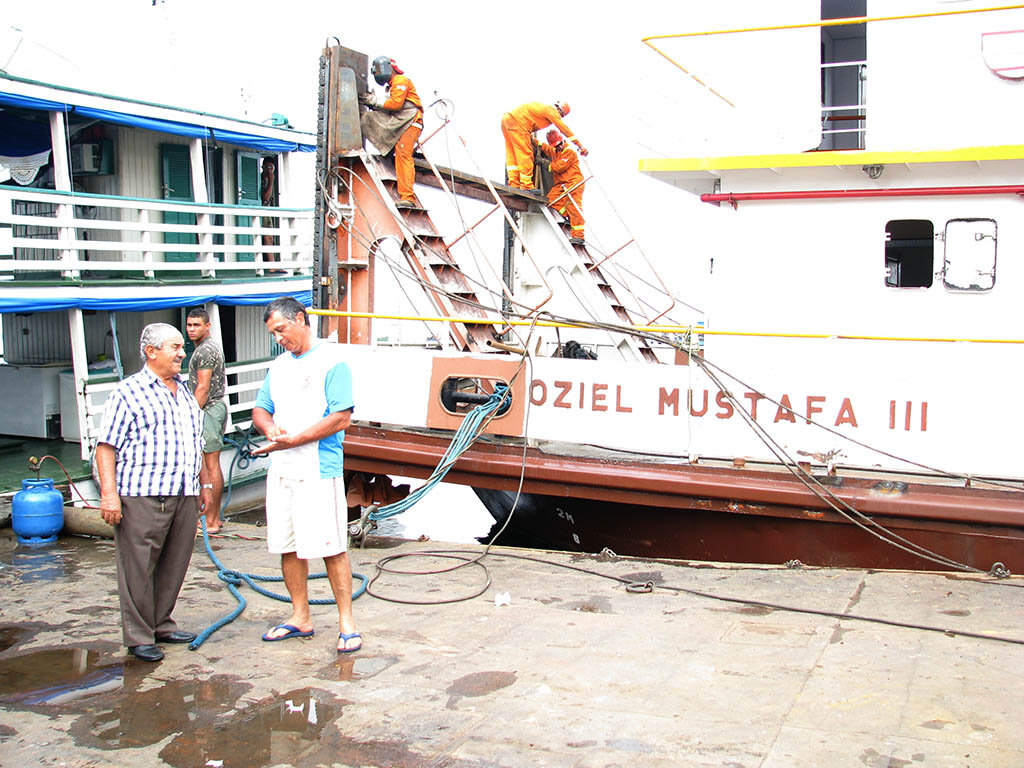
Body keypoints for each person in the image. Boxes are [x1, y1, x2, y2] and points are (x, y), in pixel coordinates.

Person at [95, 322, 212, 662]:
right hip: (142, 494)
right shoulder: (128, 392)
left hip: (184, 493)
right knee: (138, 566)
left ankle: (161, 623)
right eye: (175, 347)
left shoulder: (184, 392)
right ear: (151, 352)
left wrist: (203, 485)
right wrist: (109, 494)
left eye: (181, 347)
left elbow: (195, 443)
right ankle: (139, 635)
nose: (182, 353)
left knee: (175, 563)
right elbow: (106, 448)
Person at [250, 297, 361, 654]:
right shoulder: (279, 366)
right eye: (273, 333)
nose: (279, 338)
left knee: (331, 546)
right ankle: (300, 616)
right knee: (288, 545)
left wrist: (295, 439)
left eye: (281, 329)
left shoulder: (333, 362)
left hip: (318, 467)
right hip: (283, 467)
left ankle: (346, 622)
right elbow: (260, 408)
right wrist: (270, 430)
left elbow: (341, 417)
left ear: (301, 319)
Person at [185, 307, 228, 533]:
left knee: (210, 466)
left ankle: (211, 521)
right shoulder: (207, 347)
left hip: (208, 410)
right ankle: (214, 518)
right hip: (214, 408)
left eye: (196, 325)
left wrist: (188, 415)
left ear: (207, 326)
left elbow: (202, 387)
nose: (192, 329)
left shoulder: (204, 351)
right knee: (210, 465)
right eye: (189, 325)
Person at [370, 56, 423, 208]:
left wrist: (375, 101)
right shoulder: (392, 86)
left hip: (411, 122)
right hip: (402, 123)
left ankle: (408, 197)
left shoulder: (400, 81)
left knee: (403, 154)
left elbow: (395, 104)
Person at [501, 100, 588, 190]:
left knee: (512, 154)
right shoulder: (552, 111)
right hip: (520, 123)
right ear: (560, 111)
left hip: (506, 120)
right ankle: (526, 185)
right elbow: (564, 129)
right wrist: (580, 145)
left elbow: (546, 148)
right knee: (526, 154)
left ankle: (513, 183)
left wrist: (534, 141)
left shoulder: (543, 109)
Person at [540, 129, 586, 245]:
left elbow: (558, 167)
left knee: (573, 208)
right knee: (550, 201)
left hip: (574, 183)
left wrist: (544, 163)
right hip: (562, 185)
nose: (559, 147)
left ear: (562, 141)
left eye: (560, 145)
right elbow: (548, 149)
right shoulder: (556, 151)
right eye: (556, 146)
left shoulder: (569, 151)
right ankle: (568, 217)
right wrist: (536, 143)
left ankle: (579, 236)